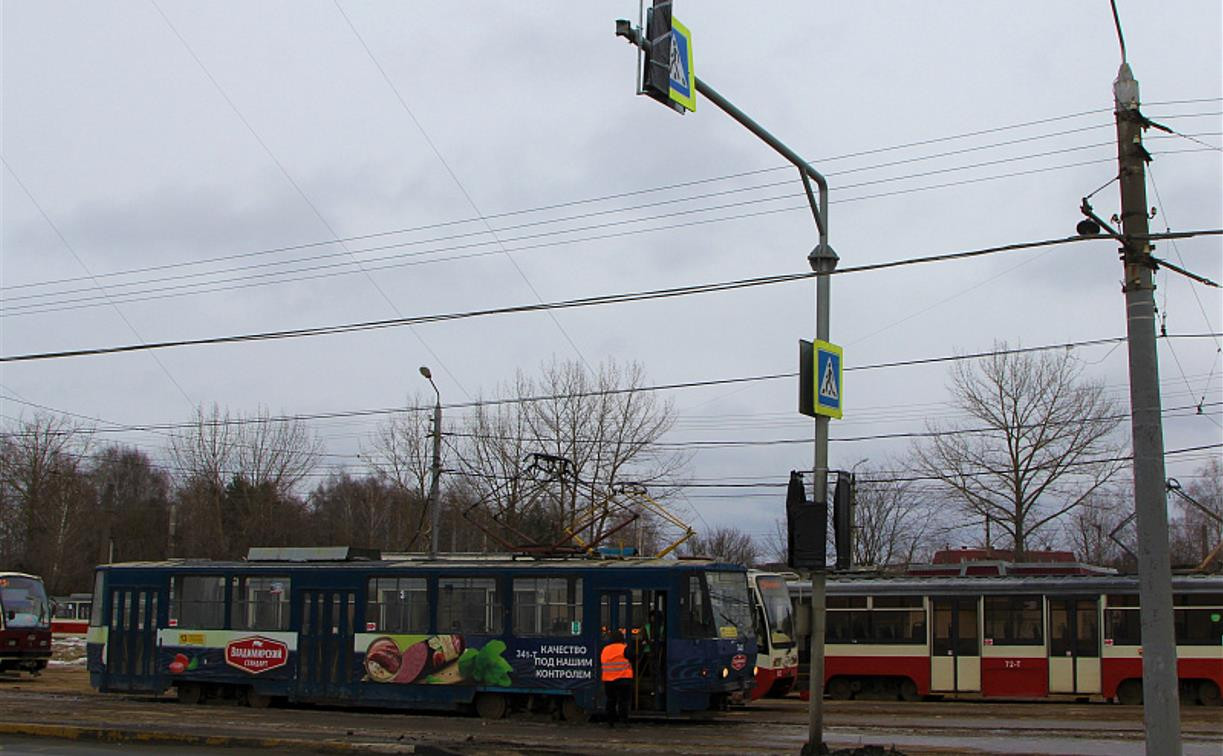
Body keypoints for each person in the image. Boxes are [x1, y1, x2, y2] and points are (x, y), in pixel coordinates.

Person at [600, 629, 634, 727]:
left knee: (611, 701)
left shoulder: (605, 649)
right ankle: (624, 721)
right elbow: (633, 657)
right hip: (623, 679)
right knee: (623, 701)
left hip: (608, 680)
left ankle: (610, 721)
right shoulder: (624, 648)